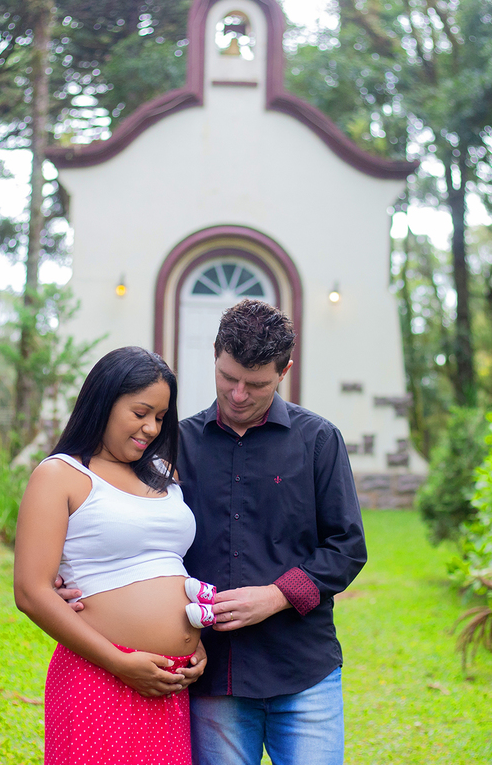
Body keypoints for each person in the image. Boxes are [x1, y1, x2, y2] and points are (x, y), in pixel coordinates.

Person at [179, 299, 367, 765]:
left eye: (256, 383)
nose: (239, 394)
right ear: (216, 357)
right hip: (212, 676)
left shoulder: (319, 440)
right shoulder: (177, 444)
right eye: (228, 378)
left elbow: (347, 547)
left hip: (303, 670)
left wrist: (277, 596)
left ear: (283, 371)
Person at [14, 346, 207, 765]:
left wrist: (196, 639)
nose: (151, 427)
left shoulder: (165, 476)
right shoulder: (61, 475)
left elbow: (170, 570)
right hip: (98, 677)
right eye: (140, 412)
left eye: (160, 417)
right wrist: (120, 662)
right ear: (104, 400)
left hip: (167, 684)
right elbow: (31, 591)